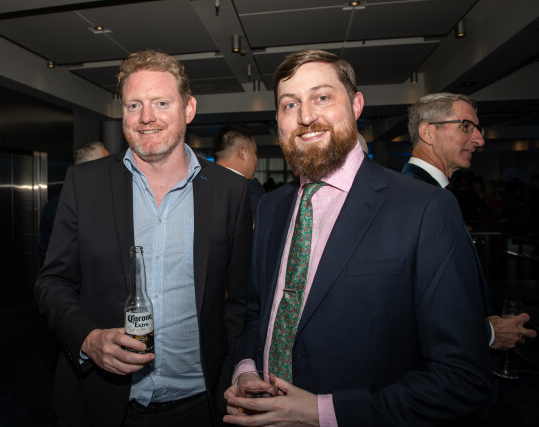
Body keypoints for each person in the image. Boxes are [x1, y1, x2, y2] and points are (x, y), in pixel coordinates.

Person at [223, 50, 493, 426]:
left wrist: (322, 413)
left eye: (322, 97)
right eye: (290, 104)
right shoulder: (272, 207)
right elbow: (257, 312)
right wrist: (247, 368)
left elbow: (462, 377)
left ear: (356, 105)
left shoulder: (424, 208)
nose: (305, 116)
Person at [35, 50, 252, 427]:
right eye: (134, 105)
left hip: (200, 404)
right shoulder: (85, 184)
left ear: (188, 109)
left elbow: (242, 300)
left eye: (161, 103)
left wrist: (230, 370)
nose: (146, 117)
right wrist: (89, 339)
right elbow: (52, 281)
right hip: (104, 403)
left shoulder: (230, 191)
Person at [403, 92, 537, 350]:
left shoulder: (426, 192)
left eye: (477, 128)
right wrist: (486, 333)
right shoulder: (419, 196)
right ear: (428, 133)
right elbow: (411, 297)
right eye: (466, 126)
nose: (479, 139)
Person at [37, 141, 109, 266]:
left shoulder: (99, 200)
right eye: (106, 165)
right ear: (90, 169)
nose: (111, 170)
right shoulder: (62, 206)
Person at [213, 125, 266, 220]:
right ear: (242, 153)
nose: (256, 159)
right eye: (254, 152)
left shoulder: (198, 184)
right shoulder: (249, 189)